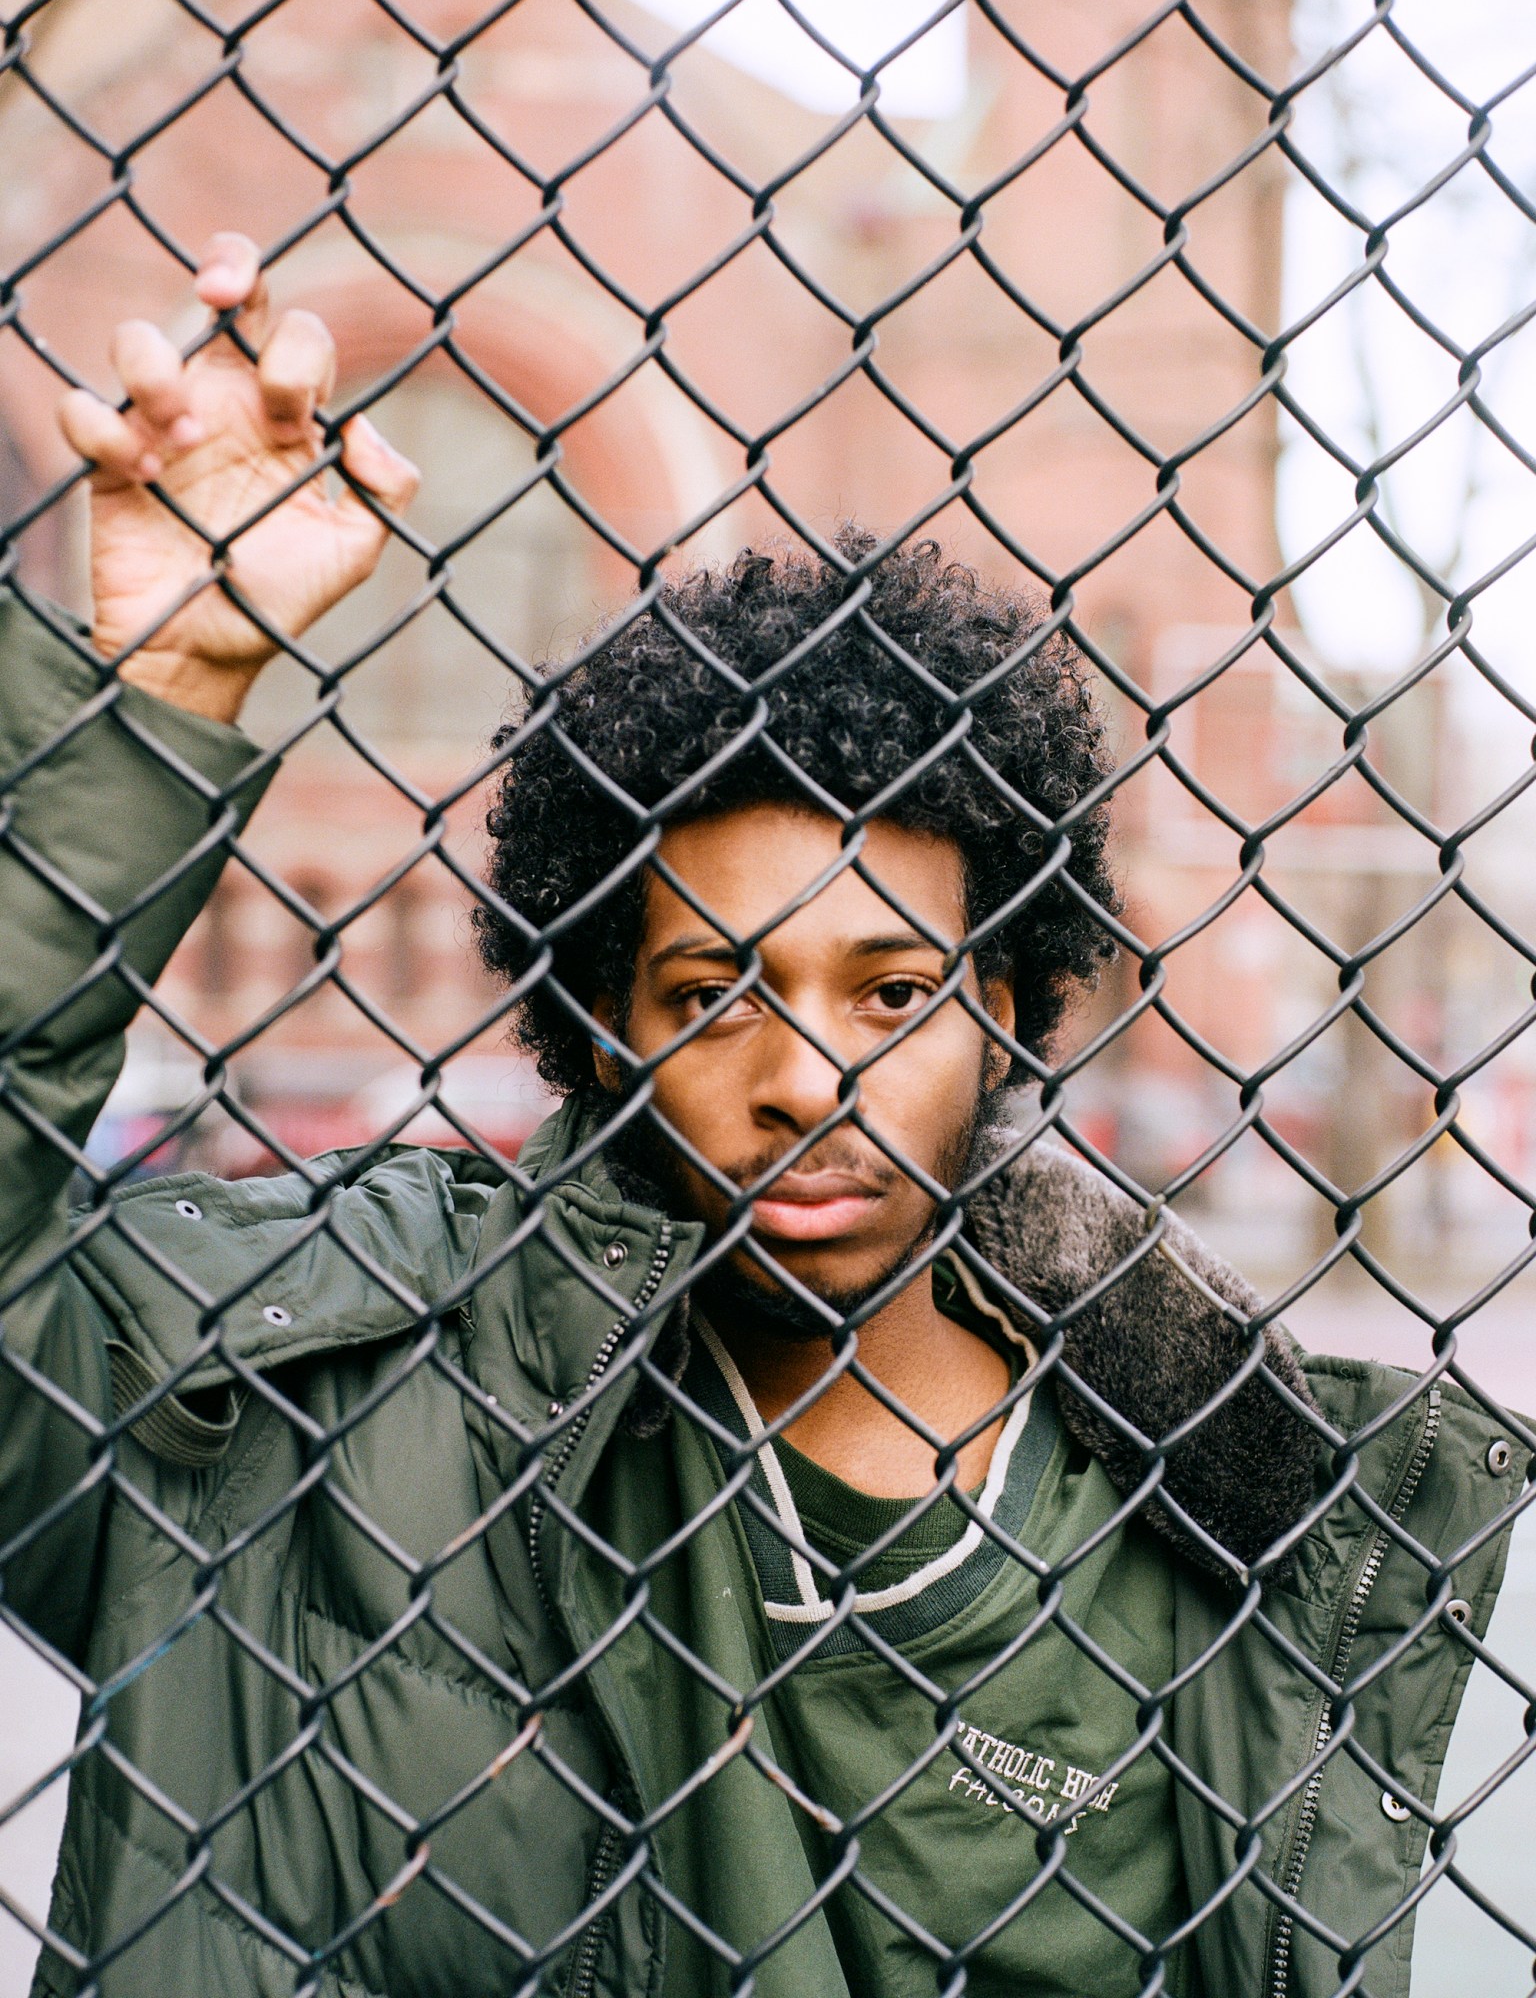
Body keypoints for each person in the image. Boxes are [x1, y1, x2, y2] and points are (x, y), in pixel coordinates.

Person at [0, 235, 1522, 1998]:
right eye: (711, 995)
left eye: (894, 994)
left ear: (1010, 1004)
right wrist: (157, 703)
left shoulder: (1263, 1523)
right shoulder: (322, 1400)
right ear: (596, 1024)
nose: (807, 1079)